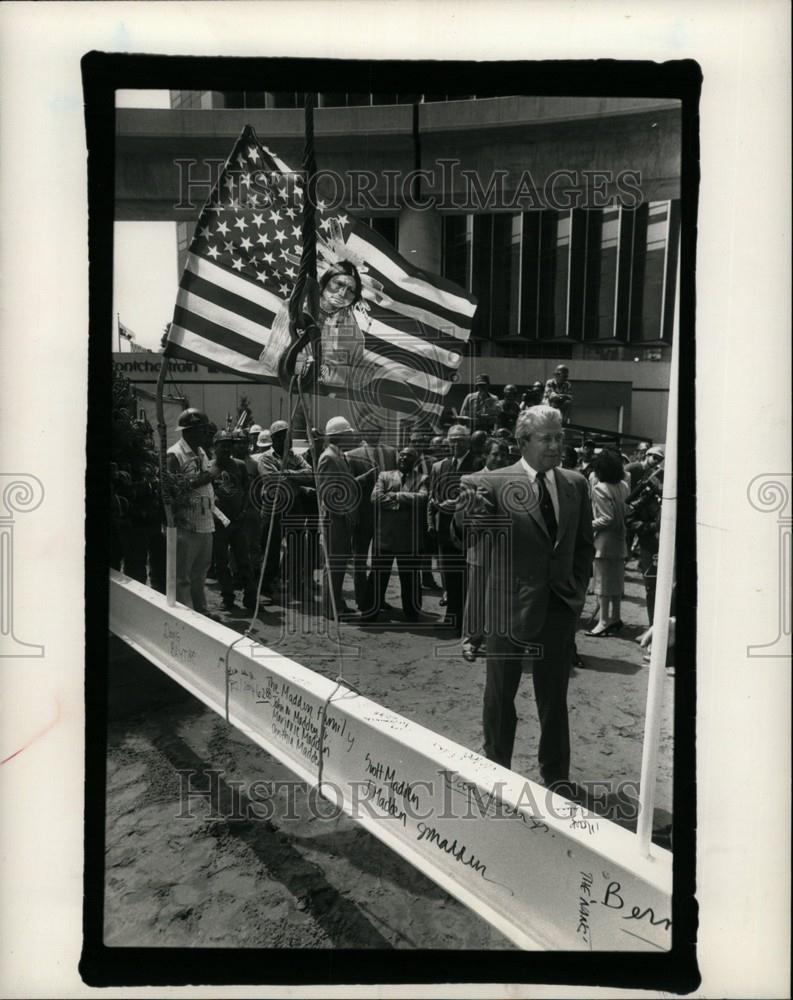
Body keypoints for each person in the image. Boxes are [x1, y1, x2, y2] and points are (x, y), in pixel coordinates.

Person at [469, 405, 594, 790]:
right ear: (523, 442)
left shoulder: (575, 483)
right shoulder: (490, 483)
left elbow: (583, 548)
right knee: (500, 698)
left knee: (554, 700)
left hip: (558, 608)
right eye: (547, 438)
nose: (557, 445)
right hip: (507, 610)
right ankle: (496, 771)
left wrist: (576, 591)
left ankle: (556, 777)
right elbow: (476, 551)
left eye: (560, 437)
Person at [316, 416, 376, 619]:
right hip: (335, 519)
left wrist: (360, 479)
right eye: (348, 435)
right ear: (339, 436)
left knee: (339, 564)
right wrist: (344, 515)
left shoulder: (338, 456)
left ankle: (336, 603)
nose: (352, 438)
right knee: (333, 565)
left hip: (341, 519)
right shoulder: (328, 457)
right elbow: (327, 492)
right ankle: (329, 608)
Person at [426, 424, 484, 635]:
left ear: (468, 441)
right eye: (453, 440)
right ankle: (452, 619)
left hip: (469, 531)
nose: (456, 443)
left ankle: (470, 624)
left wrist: (458, 503)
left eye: (460, 439)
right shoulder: (440, 466)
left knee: (469, 579)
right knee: (450, 577)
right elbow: (432, 496)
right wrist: (432, 520)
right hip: (445, 530)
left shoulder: (479, 463)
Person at [457, 438, 509, 662]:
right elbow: (461, 515)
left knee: (501, 597)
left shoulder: (514, 479)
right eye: (495, 454)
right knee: (477, 596)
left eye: (503, 455)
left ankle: (495, 640)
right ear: (486, 455)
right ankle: (471, 641)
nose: (499, 458)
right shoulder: (470, 479)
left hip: (507, 548)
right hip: (481, 545)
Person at [166, 408, 221, 619]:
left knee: (200, 572)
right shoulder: (175, 454)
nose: (205, 434)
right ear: (188, 432)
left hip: (205, 521)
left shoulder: (201, 452)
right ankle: (186, 615)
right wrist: (206, 478)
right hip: (186, 524)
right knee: (183, 575)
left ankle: (201, 610)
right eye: (201, 430)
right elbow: (171, 488)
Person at [363, 447, 428, 623]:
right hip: (385, 535)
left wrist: (397, 496)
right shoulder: (384, 476)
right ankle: (370, 612)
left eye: (409, 457)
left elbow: (422, 499)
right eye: (402, 456)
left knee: (410, 578)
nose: (404, 459)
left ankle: (412, 613)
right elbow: (375, 498)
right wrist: (404, 503)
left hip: (409, 538)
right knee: (378, 576)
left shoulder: (422, 479)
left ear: (415, 461)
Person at [256, 419, 315, 601]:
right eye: (281, 437)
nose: (285, 440)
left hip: (294, 506)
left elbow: (310, 473)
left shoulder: (294, 457)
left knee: (297, 546)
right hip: (274, 507)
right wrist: (295, 479)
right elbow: (273, 480)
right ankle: (266, 584)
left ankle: (292, 581)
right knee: (270, 548)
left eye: (287, 436)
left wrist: (288, 474)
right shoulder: (266, 458)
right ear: (273, 439)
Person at [347, 422, 398, 613]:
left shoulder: (392, 453)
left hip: (385, 515)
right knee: (360, 559)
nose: (372, 433)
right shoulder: (352, 455)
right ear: (362, 432)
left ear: (381, 431)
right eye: (368, 430)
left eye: (376, 430)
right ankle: (362, 600)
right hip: (363, 514)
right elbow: (350, 486)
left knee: (382, 560)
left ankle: (378, 598)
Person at [585, 448, 630, 637]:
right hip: (620, 540)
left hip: (604, 543)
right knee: (616, 583)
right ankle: (616, 618)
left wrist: (586, 526)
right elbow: (624, 512)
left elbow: (605, 518)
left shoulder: (600, 488)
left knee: (602, 585)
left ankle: (603, 621)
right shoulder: (623, 486)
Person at [211, 430, 257, 612]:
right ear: (215, 447)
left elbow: (247, 490)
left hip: (238, 522)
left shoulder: (239, 465)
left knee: (243, 560)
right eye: (222, 445)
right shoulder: (208, 467)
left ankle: (251, 598)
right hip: (218, 523)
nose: (226, 449)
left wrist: (243, 511)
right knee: (221, 561)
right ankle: (228, 597)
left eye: (229, 446)